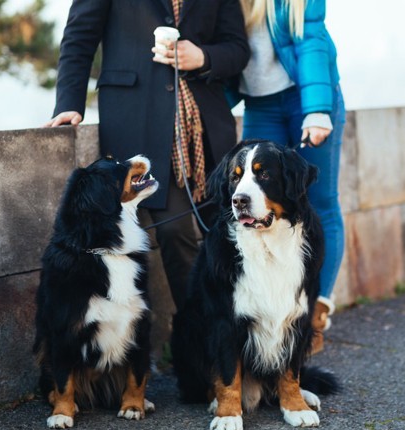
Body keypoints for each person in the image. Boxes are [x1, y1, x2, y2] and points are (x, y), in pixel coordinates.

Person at [44, 0, 250, 312]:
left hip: (208, 130)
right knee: (173, 230)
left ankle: (244, 333)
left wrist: (204, 57)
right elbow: (79, 36)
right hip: (137, 122)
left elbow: (238, 49)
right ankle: (199, 340)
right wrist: (68, 103)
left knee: (231, 231)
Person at [234, 0, 345, 354]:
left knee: (320, 202)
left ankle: (313, 314)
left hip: (306, 97)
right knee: (255, 197)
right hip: (260, 104)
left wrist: (316, 109)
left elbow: (311, 40)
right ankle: (267, 312)